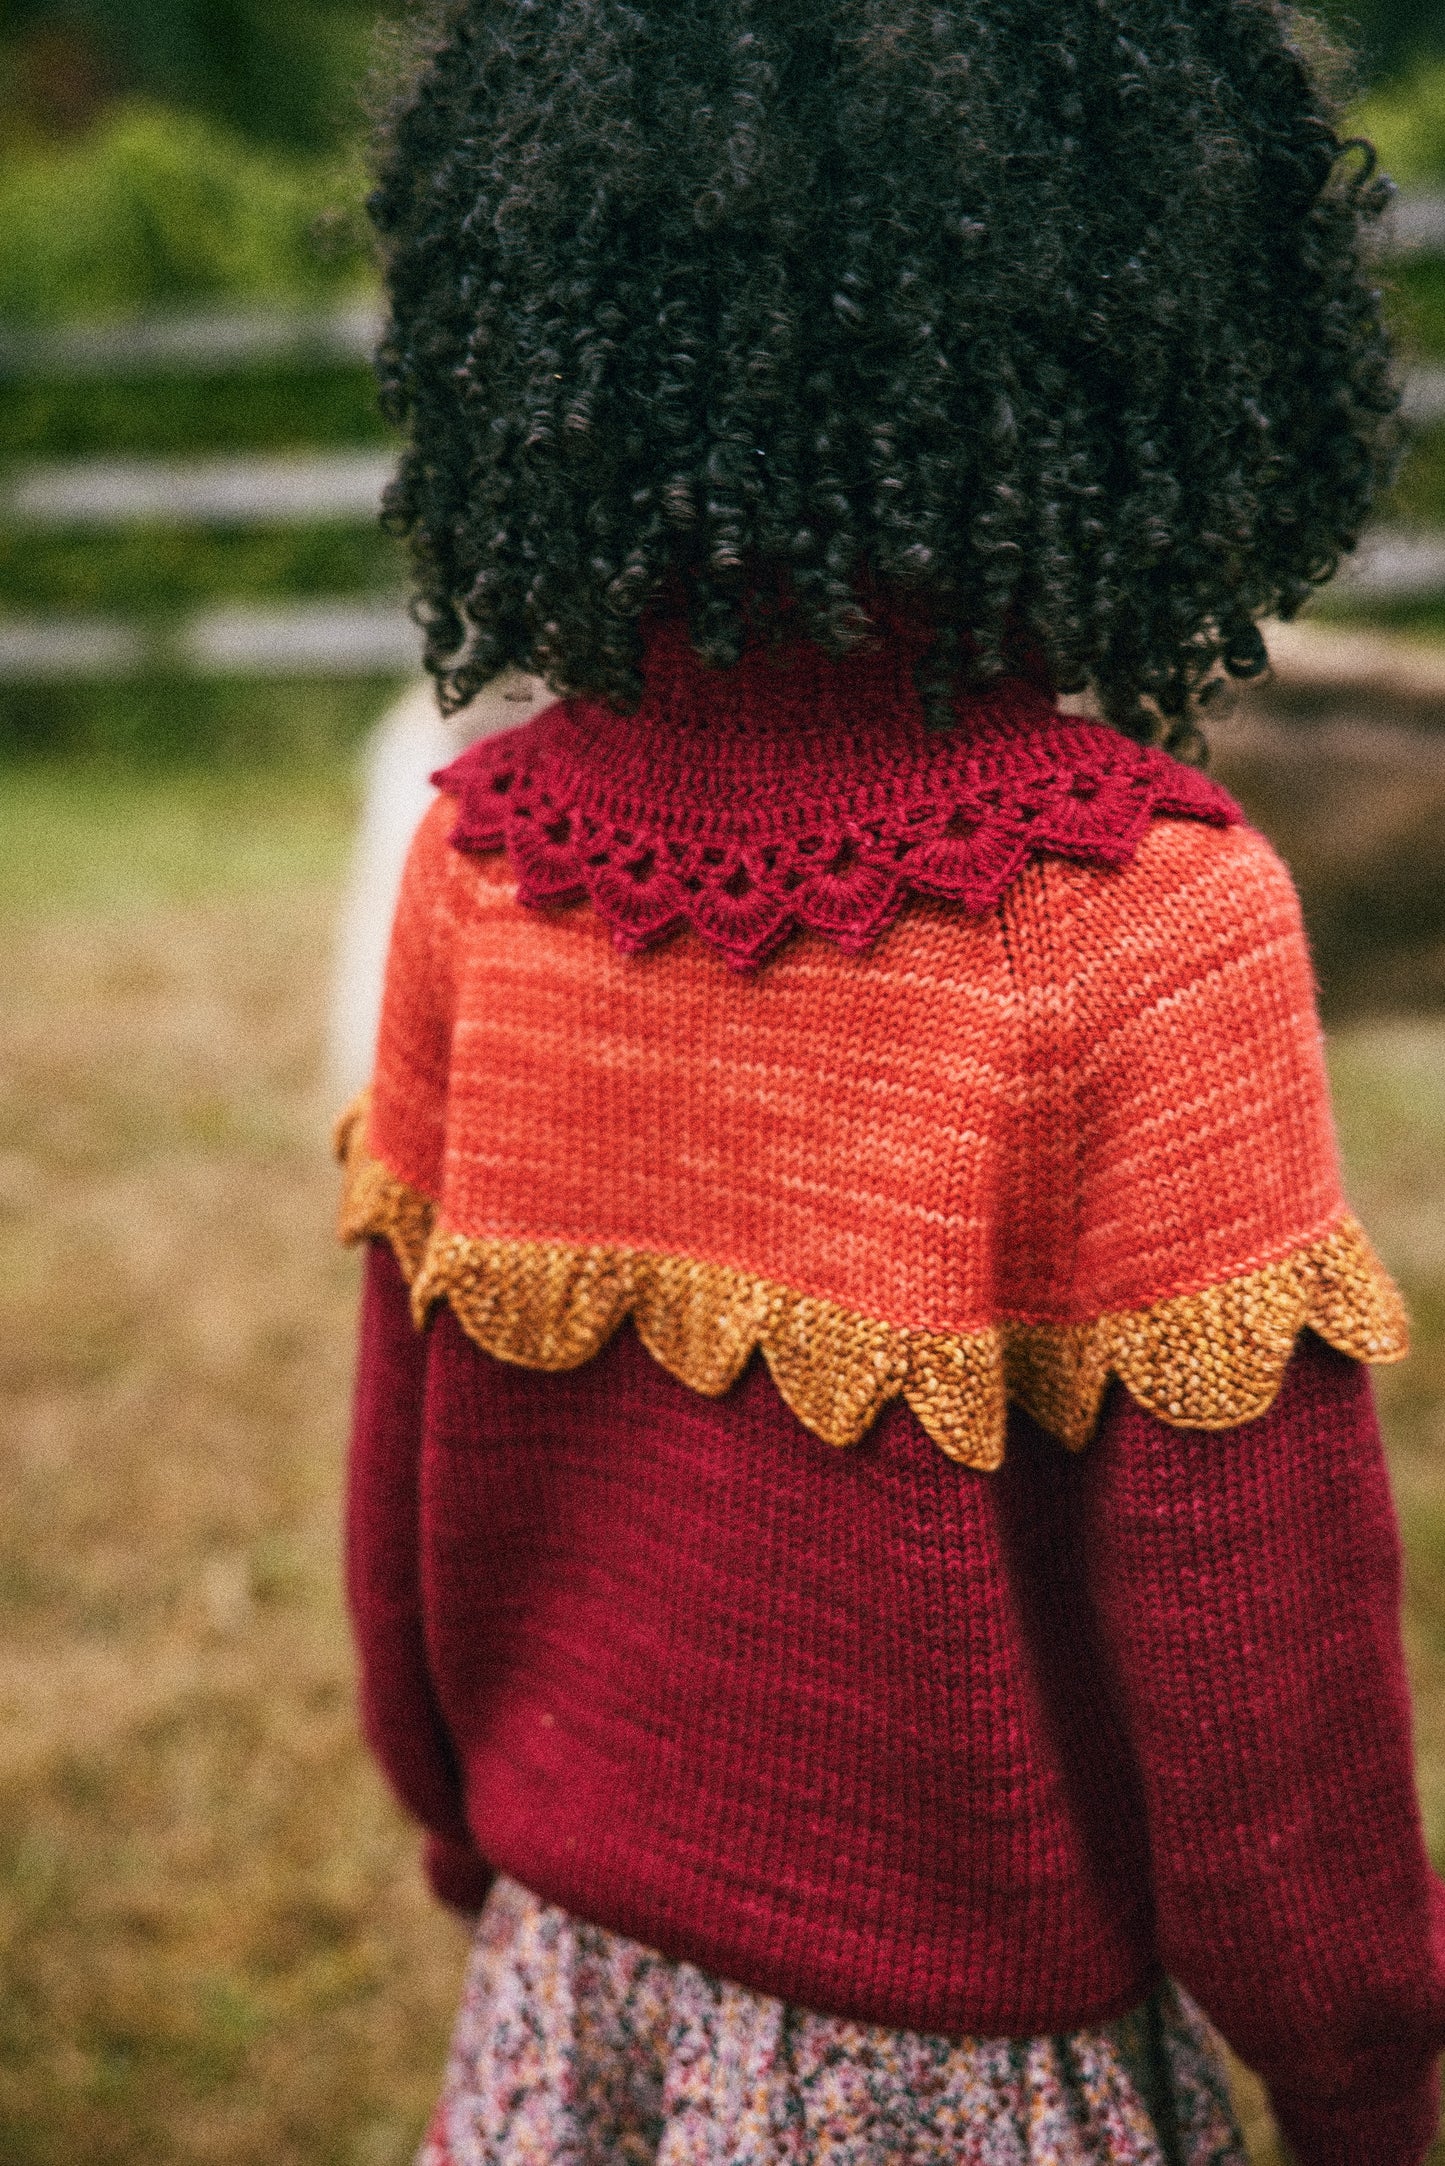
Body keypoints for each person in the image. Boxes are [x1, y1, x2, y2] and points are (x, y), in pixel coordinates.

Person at [337, 4, 1445, 2160]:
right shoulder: (1146, 925)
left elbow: (405, 1467)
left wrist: (476, 1839)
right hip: (978, 2078)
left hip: (572, 1984)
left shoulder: (472, 858)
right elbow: (1260, 1670)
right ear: (1159, 338)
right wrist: (1362, 2064)